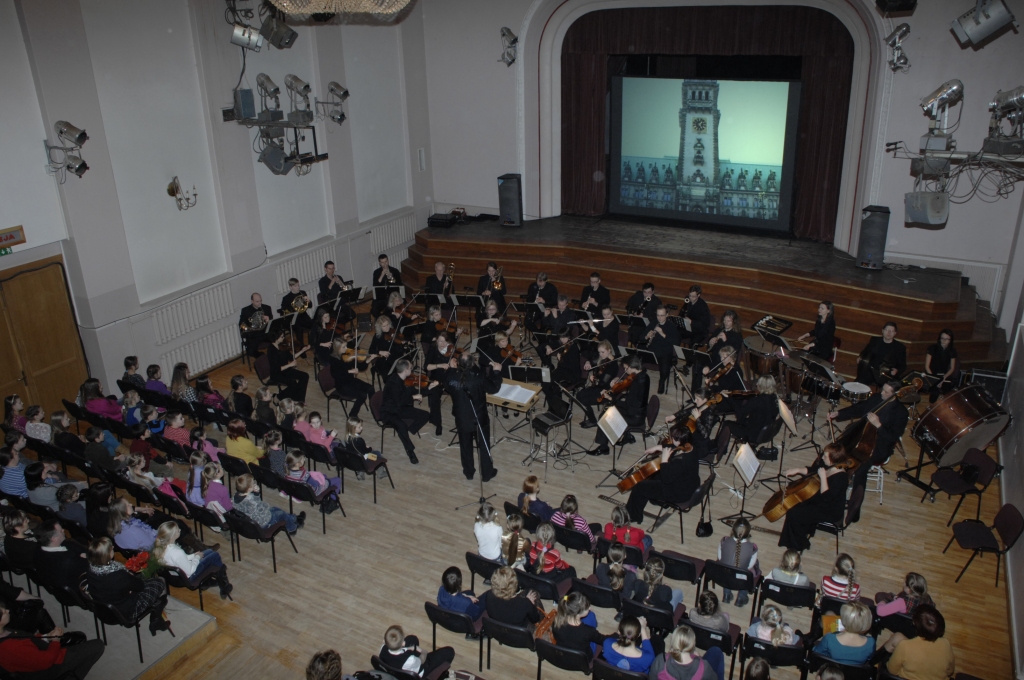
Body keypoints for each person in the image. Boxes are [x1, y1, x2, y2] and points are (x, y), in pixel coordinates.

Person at [828, 380, 908, 497]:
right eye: (882, 389)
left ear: (894, 395)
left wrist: (879, 426)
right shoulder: (876, 398)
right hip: (861, 435)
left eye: (886, 392)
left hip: (879, 446)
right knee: (837, 449)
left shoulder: (901, 413)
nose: (882, 393)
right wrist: (839, 413)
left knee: (861, 467)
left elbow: (893, 436)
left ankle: (855, 501)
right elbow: (859, 408)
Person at [86, 537, 171, 636]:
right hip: (125, 612)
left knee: (141, 577)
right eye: (110, 548)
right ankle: (156, 621)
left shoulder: (91, 570)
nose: (113, 547)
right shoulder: (117, 576)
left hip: (103, 610)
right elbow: (140, 587)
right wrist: (129, 582)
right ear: (106, 555)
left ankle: (155, 608)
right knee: (160, 581)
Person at [0, 601, 105, 679]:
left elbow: (26, 639)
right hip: (52, 666)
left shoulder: (3, 633)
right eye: (4, 612)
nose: (7, 610)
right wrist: (55, 641)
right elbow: (46, 662)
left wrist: (46, 636)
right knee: (97, 646)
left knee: (80, 638)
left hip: (39, 652)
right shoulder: (10, 647)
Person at [778, 443, 852, 552]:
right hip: (821, 501)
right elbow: (814, 469)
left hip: (830, 510)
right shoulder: (830, 465)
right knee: (795, 505)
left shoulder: (841, 478)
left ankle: (798, 544)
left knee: (794, 513)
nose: (822, 457)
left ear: (833, 459)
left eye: (825, 456)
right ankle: (800, 534)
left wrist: (823, 478)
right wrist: (797, 470)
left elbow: (826, 497)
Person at [624, 427, 701, 525]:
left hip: (679, 493)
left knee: (640, 487)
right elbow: (674, 447)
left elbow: (666, 479)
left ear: (678, 441)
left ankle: (632, 516)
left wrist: (664, 460)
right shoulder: (689, 447)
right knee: (654, 478)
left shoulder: (681, 461)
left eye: (673, 438)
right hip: (689, 485)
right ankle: (659, 502)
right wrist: (657, 447)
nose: (671, 439)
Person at [443, 352, 501, 481]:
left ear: (458, 363)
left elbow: (447, 383)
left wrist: (451, 369)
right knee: (484, 446)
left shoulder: (451, 376)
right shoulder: (479, 376)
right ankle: (486, 474)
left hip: (462, 417)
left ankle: (469, 472)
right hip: (479, 417)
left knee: (465, 445)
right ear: (472, 363)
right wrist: (496, 372)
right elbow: (493, 388)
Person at [152, 521, 233, 600]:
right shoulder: (177, 552)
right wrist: (197, 558)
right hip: (188, 578)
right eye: (177, 530)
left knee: (209, 552)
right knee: (215, 556)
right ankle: (224, 586)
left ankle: (207, 582)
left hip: (173, 576)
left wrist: (194, 555)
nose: (180, 530)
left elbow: (180, 559)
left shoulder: (160, 548)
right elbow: (190, 570)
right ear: (172, 536)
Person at [588, 355, 649, 456]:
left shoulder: (638, 383)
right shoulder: (644, 376)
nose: (625, 370)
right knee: (609, 409)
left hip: (634, 417)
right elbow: (633, 398)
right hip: (638, 411)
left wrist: (612, 398)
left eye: (626, 368)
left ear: (632, 367)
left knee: (605, 417)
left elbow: (629, 404)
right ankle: (627, 436)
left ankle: (603, 448)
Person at [882, 604, 955, 680]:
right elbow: (950, 671)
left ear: (914, 623)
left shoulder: (904, 646)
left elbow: (892, 670)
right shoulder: (946, 644)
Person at [381, 359, 430, 464]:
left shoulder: (406, 380)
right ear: (406, 370)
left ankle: (406, 430)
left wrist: (429, 387)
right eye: (411, 368)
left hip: (401, 408)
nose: (412, 370)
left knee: (425, 415)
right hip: (389, 411)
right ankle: (410, 452)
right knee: (401, 426)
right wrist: (413, 397)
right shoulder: (393, 383)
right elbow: (399, 401)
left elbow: (417, 392)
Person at [233, 473, 305, 534]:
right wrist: (257, 493)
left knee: (276, 509)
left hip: (254, 521)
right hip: (263, 522)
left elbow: (255, 505)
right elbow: (262, 507)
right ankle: (293, 528)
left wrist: (256, 493)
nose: (254, 482)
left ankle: (295, 518)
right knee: (281, 514)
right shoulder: (250, 501)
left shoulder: (236, 497)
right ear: (249, 489)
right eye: (253, 482)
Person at [647, 624, 722, 680]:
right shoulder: (704, 667)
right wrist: (698, 659)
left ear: (673, 642)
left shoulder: (660, 661)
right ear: (693, 644)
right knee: (716, 651)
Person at [378, 624, 453, 678]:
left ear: (384, 641)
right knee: (449, 651)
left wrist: (408, 649)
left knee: (412, 639)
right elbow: (422, 660)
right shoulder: (410, 660)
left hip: (394, 667)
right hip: (418, 672)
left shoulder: (382, 648)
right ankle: (443, 673)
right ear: (403, 643)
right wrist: (423, 651)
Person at [665, 388, 717, 461]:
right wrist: (674, 416)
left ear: (705, 400)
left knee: (678, 452)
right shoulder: (700, 406)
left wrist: (697, 418)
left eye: (697, 399)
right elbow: (687, 411)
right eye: (695, 398)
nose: (695, 401)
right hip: (694, 438)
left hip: (700, 446)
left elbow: (705, 435)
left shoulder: (709, 413)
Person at [717, 518, 759, 607]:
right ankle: (741, 597)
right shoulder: (753, 547)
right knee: (754, 567)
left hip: (724, 575)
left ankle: (727, 594)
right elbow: (749, 566)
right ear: (748, 533)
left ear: (733, 530)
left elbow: (720, 558)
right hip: (742, 578)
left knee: (727, 567)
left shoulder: (724, 540)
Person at [551, 591, 610, 655]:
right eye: (587, 608)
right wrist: (615, 636)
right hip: (583, 658)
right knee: (591, 615)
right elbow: (601, 640)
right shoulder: (588, 631)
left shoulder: (556, 621)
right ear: (578, 613)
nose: (590, 608)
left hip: (564, 653)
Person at [328, 338, 374, 420]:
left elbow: (360, 367)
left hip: (351, 381)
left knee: (370, 388)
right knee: (362, 395)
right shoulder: (333, 359)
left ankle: (374, 409)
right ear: (337, 348)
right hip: (342, 386)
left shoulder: (347, 355)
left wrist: (368, 360)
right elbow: (336, 375)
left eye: (346, 346)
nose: (346, 348)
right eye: (344, 347)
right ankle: (352, 415)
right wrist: (350, 371)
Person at [578, 341, 618, 428]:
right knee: (579, 395)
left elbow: (603, 383)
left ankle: (593, 420)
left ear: (609, 350)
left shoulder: (613, 365)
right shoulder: (602, 360)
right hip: (598, 387)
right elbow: (592, 360)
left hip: (605, 391)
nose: (601, 354)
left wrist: (595, 379)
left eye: (603, 352)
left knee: (584, 400)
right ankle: (591, 418)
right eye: (599, 352)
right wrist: (588, 363)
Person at [729, 375, 779, 443]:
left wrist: (730, 399)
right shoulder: (775, 398)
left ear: (762, 386)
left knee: (726, 424)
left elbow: (740, 413)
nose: (756, 384)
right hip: (767, 433)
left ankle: (720, 449)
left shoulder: (756, 401)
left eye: (758, 383)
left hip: (753, 435)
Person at [856, 321, 907, 386]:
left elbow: (902, 366)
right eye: (887, 330)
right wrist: (860, 357)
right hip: (870, 371)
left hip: (885, 374)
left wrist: (897, 371)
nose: (889, 332)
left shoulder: (900, 347)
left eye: (891, 331)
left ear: (895, 333)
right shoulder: (874, 340)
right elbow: (865, 352)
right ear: (882, 331)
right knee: (858, 382)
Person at [424, 332, 456, 436]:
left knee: (459, 393)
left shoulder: (451, 349)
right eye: (440, 341)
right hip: (436, 378)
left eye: (444, 341)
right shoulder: (433, 349)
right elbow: (427, 367)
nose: (442, 344)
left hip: (449, 378)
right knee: (434, 397)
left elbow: (457, 366)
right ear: (436, 340)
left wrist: (454, 364)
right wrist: (439, 365)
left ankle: (457, 412)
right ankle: (438, 424)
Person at [644, 306, 681, 394]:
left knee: (665, 368)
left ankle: (661, 381)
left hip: (665, 351)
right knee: (637, 360)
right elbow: (642, 336)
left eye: (662, 315)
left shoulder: (671, 326)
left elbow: (676, 342)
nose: (659, 318)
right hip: (652, 350)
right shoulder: (653, 323)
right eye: (658, 315)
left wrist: (662, 333)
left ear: (667, 315)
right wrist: (647, 336)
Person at [267, 329, 310, 403]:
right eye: (281, 337)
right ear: (276, 338)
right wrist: (290, 365)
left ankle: (299, 399)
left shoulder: (282, 345)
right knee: (293, 384)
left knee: (305, 376)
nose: (283, 338)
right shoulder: (271, 350)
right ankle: (278, 397)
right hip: (276, 373)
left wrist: (302, 350)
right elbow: (276, 368)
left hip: (286, 370)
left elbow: (291, 357)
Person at [924, 329, 959, 403]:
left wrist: (943, 378)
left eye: (946, 339)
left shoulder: (952, 351)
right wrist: (935, 380)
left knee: (948, 393)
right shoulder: (932, 348)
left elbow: (952, 368)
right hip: (931, 374)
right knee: (934, 393)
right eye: (942, 338)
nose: (944, 341)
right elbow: (927, 367)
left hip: (944, 375)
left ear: (950, 340)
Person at [279, 277, 314, 346]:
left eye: (298, 285)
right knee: (299, 329)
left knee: (314, 325)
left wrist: (309, 301)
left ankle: (312, 343)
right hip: (294, 318)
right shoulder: (286, 298)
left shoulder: (302, 293)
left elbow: (310, 306)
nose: (298, 287)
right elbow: (285, 310)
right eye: (295, 286)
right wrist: (296, 306)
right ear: (290, 287)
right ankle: (301, 348)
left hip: (303, 315)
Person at [239, 293, 273, 357]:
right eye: (257, 301)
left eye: (260, 300)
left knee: (277, 339)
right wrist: (249, 329)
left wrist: (269, 319)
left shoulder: (267, 308)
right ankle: (260, 356)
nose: (259, 303)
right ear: (252, 301)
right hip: (253, 334)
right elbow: (241, 324)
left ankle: (274, 354)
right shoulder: (245, 311)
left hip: (265, 333)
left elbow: (271, 323)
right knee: (250, 351)